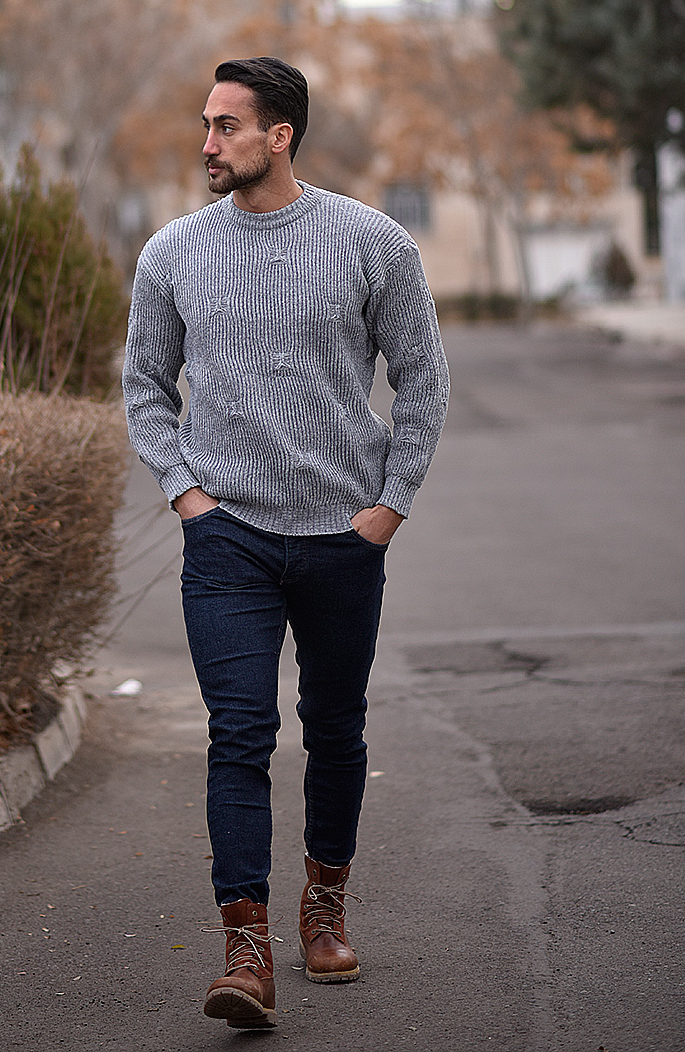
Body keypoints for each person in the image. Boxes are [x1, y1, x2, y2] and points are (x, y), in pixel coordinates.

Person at [121, 56, 449, 1029]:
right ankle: (246, 949)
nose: (207, 143)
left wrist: (389, 505)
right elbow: (145, 388)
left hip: (343, 535)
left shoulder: (372, 242)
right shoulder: (173, 253)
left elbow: (423, 377)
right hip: (229, 536)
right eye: (206, 125)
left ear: (280, 135)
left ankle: (325, 905)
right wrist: (186, 493)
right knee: (239, 732)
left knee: (336, 728)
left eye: (226, 126)